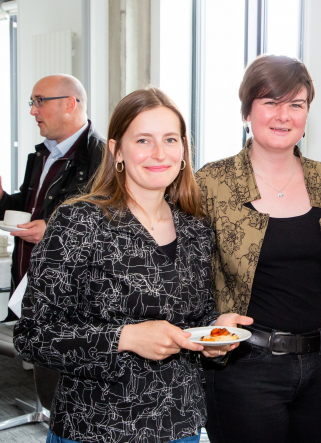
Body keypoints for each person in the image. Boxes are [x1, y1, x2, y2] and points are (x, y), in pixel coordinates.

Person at [13, 87, 251, 443]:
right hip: (95, 427)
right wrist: (124, 337)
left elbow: (194, 319)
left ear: (183, 150)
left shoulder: (195, 229)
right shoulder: (78, 222)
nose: (159, 153)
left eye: (170, 140)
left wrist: (215, 334)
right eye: (143, 140)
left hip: (179, 424)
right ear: (116, 150)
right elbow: (32, 335)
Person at [195, 54, 321, 443]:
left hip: (320, 365)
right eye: (270, 102)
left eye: (296, 104)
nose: (284, 115)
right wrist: (210, 324)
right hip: (245, 368)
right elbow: (188, 270)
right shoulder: (212, 181)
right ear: (247, 111)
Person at [0, 74, 104, 304]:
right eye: (32, 103)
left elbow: (108, 224)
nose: (33, 111)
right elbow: (31, 210)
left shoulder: (104, 158)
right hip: (25, 292)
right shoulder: (41, 155)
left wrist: (53, 230)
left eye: (40, 101)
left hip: (67, 302)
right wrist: (1, 199)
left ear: (69, 103)